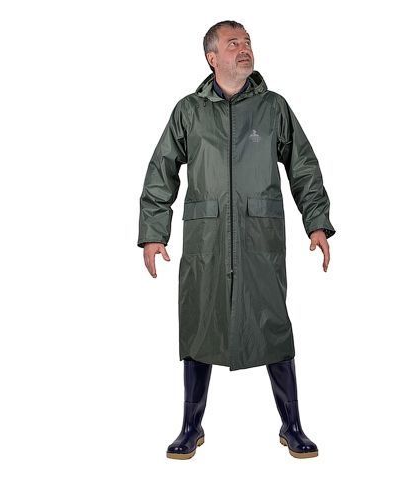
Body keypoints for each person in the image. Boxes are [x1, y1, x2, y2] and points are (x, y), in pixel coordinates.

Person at [137, 20, 335, 459]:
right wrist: (153, 233)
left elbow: (303, 166)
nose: (244, 48)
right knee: (199, 323)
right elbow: (161, 171)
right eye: (233, 44)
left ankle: (292, 425)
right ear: (212, 58)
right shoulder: (189, 111)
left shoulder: (273, 107)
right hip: (206, 239)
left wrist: (316, 222)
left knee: (273, 324)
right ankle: (191, 426)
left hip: (259, 237)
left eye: (246, 42)